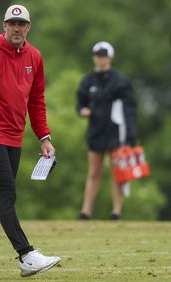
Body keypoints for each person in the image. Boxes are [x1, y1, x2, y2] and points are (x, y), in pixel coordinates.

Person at [0, 4, 61, 279]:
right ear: (4, 26)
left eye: (22, 24)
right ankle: (26, 254)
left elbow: (36, 101)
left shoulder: (35, 57)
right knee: (6, 195)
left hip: (14, 137)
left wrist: (44, 137)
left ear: (28, 27)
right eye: (12, 23)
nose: (17, 28)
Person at [77, 41, 137, 220]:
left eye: (103, 55)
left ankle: (116, 211)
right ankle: (86, 212)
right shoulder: (88, 80)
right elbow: (81, 103)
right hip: (96, 131)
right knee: (94, 172)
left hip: (116, 132)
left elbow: (130, 109)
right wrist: (82, 110)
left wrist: (130, 136)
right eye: (97, 55)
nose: (100, 59)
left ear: (110, 57)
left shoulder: (121, 81)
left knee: (117, 172)